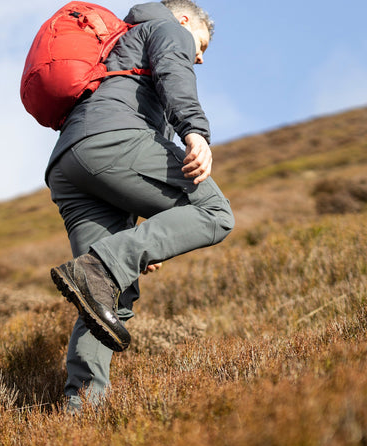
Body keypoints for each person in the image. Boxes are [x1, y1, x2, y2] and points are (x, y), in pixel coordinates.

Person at [45, 0, 234, 413]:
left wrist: (136, 242)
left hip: (68, 164)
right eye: (200, 45)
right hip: (111, 140)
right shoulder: (169, 28)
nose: (198, 56)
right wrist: (195, 130)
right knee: (216, 214)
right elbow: (174, 72)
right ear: (185, 20)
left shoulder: (120, 44)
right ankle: (104, 265)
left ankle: (81, 410)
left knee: (108, 296)